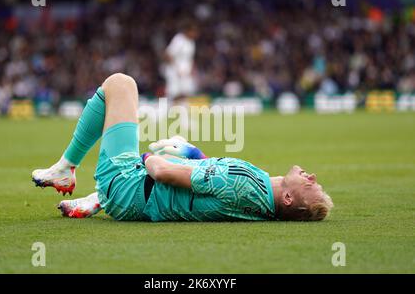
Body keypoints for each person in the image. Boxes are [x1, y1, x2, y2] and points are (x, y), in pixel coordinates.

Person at [32, 73, 333, 221]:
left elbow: (161, 172)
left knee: (120, 84)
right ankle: (99, 199)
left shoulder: (245, 183)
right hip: (139, 200)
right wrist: (189, 152)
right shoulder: (261, 197)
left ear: (290, 198)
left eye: (312, 188)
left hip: (127, 185)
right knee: (171, 157)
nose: (313, 177)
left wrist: (146, 158)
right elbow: (209, 180)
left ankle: (67, 169)